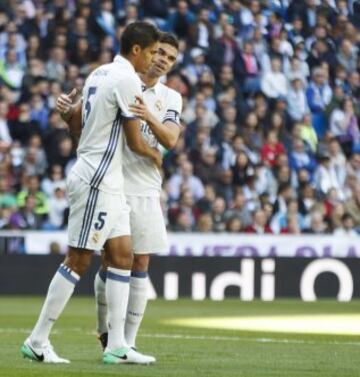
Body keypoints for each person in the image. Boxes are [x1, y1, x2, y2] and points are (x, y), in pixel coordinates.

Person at [21, 21, 161, 365]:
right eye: (154, 52)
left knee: (123, 254)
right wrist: (156, 154)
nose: (155, 60)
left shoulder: (98, 74)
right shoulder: (127, 79)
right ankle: (37, 341)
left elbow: (82, 129)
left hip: (108, 178)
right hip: (97, 177)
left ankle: (116, 345)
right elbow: (133, 140)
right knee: (79, 258)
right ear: (137, 50)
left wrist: (69, 116)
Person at [57, 33, 183, 359]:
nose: (162, 60)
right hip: (111, 182)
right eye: (159, 53)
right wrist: (71, 117)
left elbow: (170, 139)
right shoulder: (118, 81)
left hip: (144, 188)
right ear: (146, 52)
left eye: (169, 58)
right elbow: (82, 137)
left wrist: (148, 115)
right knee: (111, 260)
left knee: (139, 261)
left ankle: (127, 341)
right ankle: (106, 334)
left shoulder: (170, 98)